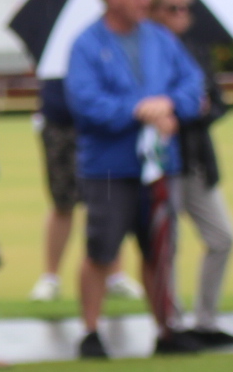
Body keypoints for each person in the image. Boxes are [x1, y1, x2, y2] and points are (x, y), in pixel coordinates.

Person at [65, 0, 206, 359]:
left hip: (160, 165)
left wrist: (170, 104)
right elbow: (84, 100)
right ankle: (91, 331)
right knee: (101, 248)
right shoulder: (87, 45)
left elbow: (192, 83)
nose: (147, 3)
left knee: (160, 248)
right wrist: (137, 109)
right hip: (110, 166)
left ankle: (166, 327)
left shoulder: (160, 39)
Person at [149, 0, 233, 346]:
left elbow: (217, 100)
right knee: (166, 246)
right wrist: (181, 107)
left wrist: (198, 110)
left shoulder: (197, 49)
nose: (181, 16)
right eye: (172, 8)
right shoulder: (147, 50)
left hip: (197, 158)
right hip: (163, 160)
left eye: (185, 8)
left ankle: (206, 319)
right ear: (154, 12)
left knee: (222, 237)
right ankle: (172, 323)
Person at [29, 77, 149, 304]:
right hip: (60, 122)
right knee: (62, 203)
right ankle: (50, 278)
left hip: (103, 128)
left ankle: (115, 275)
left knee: (110, 202)